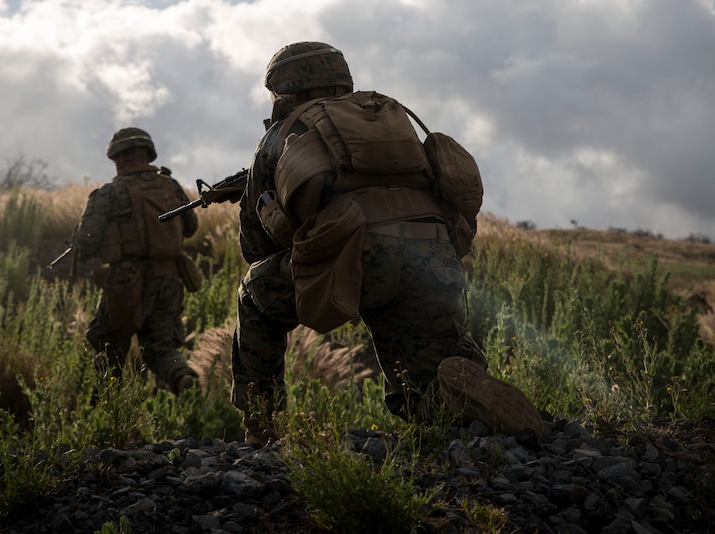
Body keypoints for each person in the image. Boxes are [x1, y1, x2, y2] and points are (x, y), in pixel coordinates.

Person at [231, 41, 543, 443]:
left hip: (355, 259)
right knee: (418, 395)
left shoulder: (282, 135)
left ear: (284, 91)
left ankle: (260, 424)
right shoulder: (389, 119)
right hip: (433, 256)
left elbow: (257, 250)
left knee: (253, 292)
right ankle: (469, 404)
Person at [75, 127, 202, 394]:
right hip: (169, 279)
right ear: (148, 154)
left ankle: (110, 412)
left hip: (125, 283)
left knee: (106, 343)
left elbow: (86, 241)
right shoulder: (171, 186)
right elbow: (190, 227)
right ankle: (181, 376)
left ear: (118, 158)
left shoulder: (109, 193)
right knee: (161, 348)